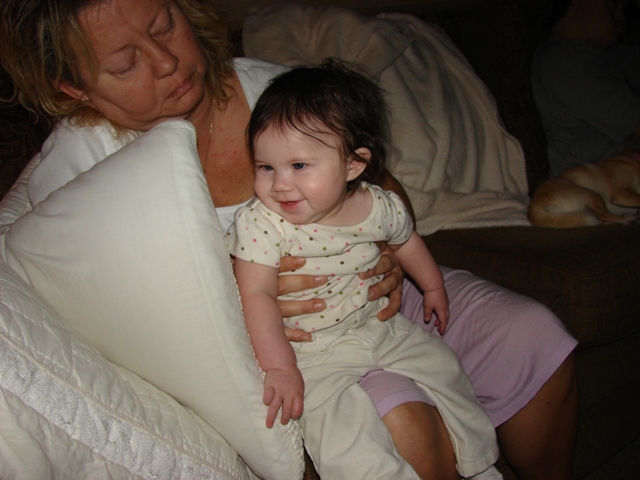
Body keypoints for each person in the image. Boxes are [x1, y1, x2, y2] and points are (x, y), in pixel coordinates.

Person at [0, 0, 579, 478]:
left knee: (532, 335)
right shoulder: (81, 172)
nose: (167, 61)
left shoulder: (276, 91)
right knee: (403, 425)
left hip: (379, 298)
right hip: (297, 351)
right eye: (126, 63)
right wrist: (238, 295)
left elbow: (380, 187)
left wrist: (387, 253)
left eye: (164, 25)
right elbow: (100, 320)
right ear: (75, 87)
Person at [226, 59, 501, 479]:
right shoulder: (261, 224)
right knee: (340, 432)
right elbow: (256, 294)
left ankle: (479, 462)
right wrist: (280, 367)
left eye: (298, 166)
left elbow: (406, 241)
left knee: (446, 370)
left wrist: (432, 287)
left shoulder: (378, 206)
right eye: (266, 167)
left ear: (353, 165)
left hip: (380, 327)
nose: (279, 184)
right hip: (312, 352)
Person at [532, 0, 640, 177]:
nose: (621, 17)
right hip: (602, 184)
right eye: (612, 6)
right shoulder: (565, 60)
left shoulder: (613, 56)